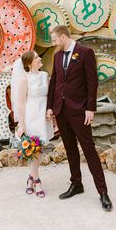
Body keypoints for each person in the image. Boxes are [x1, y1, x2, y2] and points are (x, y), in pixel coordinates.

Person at [46, 26, 112, 211]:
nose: (53, 43)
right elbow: (55, 82)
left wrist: (90, 109)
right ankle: (77, 184)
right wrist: (50, 106)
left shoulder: (85, 53)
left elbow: (92, 82)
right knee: (70, 149)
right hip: (61, 110)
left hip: (80, 110)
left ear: (64, 37)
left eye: (54, 40)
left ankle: (103, 192)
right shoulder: (57, 56)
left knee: (89, 149)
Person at [11, 50, 54, 198]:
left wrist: (50, 111)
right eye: (36, 57)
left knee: (39, 149)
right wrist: (22, 125)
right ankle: (37, 181)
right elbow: (21, 104)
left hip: (43, 116)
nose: (40, 58)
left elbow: (49, 97)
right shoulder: (24, 79)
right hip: (31, 116)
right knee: (34, 149)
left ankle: (30, 178)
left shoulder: (44, 76)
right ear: (29, 63)